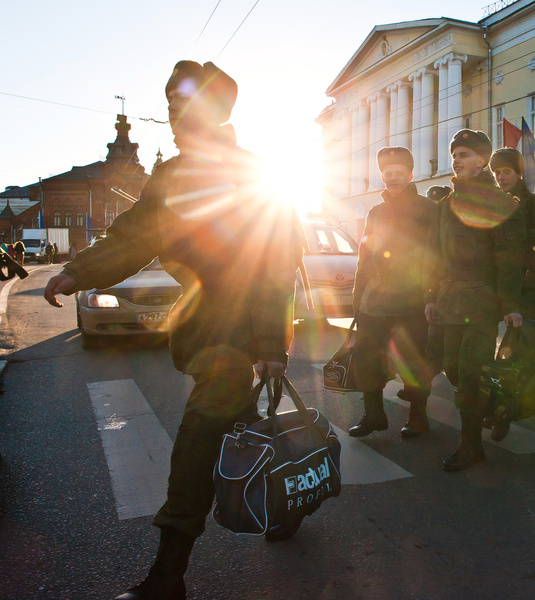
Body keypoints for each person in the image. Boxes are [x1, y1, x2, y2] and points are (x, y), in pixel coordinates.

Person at [43, 60, 297, 599]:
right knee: (249, 433)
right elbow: (135, 235)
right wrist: (78, 270)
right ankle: (288, 504)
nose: (174, 110)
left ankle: (167, 577)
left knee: (195, 449)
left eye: (185, 100)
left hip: (242, 333)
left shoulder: (253, 173)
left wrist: (272, 342)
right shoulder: (170, 175)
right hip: (203, 330)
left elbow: (275, 262)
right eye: (169, 102)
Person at [424, 129, 525, 472]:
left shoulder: (500, 203)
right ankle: (495, 405)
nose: (457, 159)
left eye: (465, 154)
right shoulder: (445, 205)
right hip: (450, 300)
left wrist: (511, 305)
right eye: (455, 154)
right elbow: (434, 256)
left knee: (468, 371)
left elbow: (509, 259)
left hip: (481, 300)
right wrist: (431, 296)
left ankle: (470, 446)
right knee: (451, 367)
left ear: (482, 161)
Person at [349, 146, 437, 439]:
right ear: (383, 178)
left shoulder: (428, 209)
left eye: (399, 173)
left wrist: (431, 295)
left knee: (413, 363)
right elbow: (365, 256)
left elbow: (436, 254)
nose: (393, 178)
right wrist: (358, 297)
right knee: (366, 357)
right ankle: (373, 414)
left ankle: (418, 418)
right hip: (375, 300)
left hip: (413, 300)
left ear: (410, 175)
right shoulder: (375, 212)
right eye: (388, 174)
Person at [487, 148, 535, 440]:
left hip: (529, 289)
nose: (501, 177)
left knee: (516, 351)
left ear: (519, 173)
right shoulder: (493, 204)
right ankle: (513, 402)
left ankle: (508, 409)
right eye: (497, 173)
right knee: (496, 353)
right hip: (497, 288)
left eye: (506, 172)